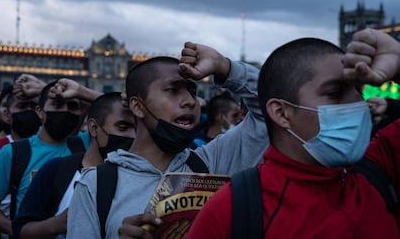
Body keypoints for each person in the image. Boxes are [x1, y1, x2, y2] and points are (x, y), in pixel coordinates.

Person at [186, 29, 400, 238]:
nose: (357, 104)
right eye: (334, 93)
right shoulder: (233, 209)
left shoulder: (377, 168)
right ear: (281, 113)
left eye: (359, 90)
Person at [67, 42, 269, 238]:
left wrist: (224, 66)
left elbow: (269, 112)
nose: (190, 101)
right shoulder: (96, 185)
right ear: (138, 107)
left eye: (192, 91)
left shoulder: (211, 163)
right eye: (173, 90)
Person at [12, 92, 135, 239]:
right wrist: (56, 225)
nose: (133, 136)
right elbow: (21, 230)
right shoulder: (56, 170)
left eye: (138, 129)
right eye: (123, 127)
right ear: (94, 127)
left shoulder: (140, 177)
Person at [0, 79, 97, 237]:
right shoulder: (15, 152)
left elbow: (119, 106)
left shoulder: (86, 145)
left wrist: (80, 90)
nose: (65, 111)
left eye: (73, 106)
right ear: (40, 111)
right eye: (57, 105)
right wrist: (19, 229)